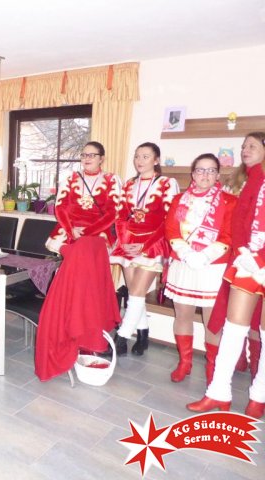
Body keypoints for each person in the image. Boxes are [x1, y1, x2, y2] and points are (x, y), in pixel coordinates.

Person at [187, 132, 265, 419]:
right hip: (247, 260)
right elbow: (240, 223)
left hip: (261, 258)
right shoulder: (246, 180)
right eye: (243, 146)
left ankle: (259, 396)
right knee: (233, 328)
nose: (245, 149)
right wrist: (245, 253)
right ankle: (218, 391)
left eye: (252, 146)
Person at [35, 141, 122, 381]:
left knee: (89, 289)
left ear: (102, 158)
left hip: (96, 237)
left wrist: (88, 232)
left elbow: (112, 212)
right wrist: (71, 229)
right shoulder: (71, 178)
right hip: (70, 232)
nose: (87, 158)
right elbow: (61, 207)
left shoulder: (112, 180)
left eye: (92, 155)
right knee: (72, 285)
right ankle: (69, 326)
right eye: (84, 155)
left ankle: (84, 334)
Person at [164, 154, 236, 383]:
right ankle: (184, 362)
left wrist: (204, 256)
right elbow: (171, 229)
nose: (205, 174)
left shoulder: (229, 201)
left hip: (212, 267)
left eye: (211, 170)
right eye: (200, 170)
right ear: (193, 174)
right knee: (182, 315)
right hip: (183, 263)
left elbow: (228, 234)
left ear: (218, 174)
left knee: (212, 322)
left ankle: (212, 366)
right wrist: (186, 253)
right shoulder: (179, 199)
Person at [110, 142, 179, 356]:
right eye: (137, 156)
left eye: (145, 156)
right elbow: (121, 217)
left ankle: (121, 339)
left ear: (156, 160)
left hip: (154, 243)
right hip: (129, 243)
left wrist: (144, 245)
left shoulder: (168, 183)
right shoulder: (129, 184)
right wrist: (124, 241)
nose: (139, 160)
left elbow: (169, 220)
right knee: (134, 293)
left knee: (137, 292)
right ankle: (143, 334)